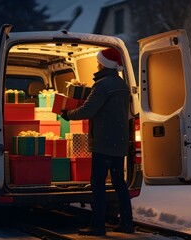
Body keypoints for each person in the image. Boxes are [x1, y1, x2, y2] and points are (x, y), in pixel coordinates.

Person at [61, 48, 134, 236]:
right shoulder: (122, 85)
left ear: (104, 64)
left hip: (103, 142)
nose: (97, 64)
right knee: (119, 183)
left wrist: (68, 114)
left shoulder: (102, 86)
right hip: (119, 142)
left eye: (98, 61)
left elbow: (88, 110)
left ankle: (98, 225)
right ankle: (127, 223)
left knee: (98, 183)